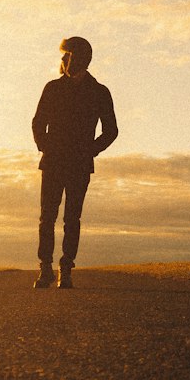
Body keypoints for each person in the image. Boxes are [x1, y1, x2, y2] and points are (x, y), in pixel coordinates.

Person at [31, 35, 118, 289]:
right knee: (47, 217)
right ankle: (45, 268)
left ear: (79, 58)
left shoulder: (99, 92)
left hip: (79, 165)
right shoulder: (52, 88)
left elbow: (111, 130)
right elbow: (38, 122)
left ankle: (65, 269)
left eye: (67, 55)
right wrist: (45, 146)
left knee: (72, 218)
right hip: (53, 163)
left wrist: (90, 150)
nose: (63, 59)